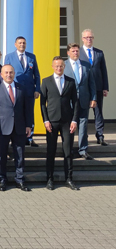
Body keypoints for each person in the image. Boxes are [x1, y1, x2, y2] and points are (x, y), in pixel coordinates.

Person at [40, 57, 80, 191]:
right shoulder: (46, 81)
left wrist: (74, 120)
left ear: (64, 67)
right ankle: (49, 179)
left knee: (68, 151)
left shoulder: (71, 81)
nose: (59, 68)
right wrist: (45, 120)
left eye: (61, 66)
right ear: (52, 66)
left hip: (67, 122)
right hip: (51, 121)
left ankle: (69, 178)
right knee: (50, 151)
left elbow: (75, 102)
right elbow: (42, 103)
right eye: (56, 66)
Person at [0, 65, 32, 192]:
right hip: (2, 128)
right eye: (6, 72)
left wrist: (29, 125)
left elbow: (28, 109)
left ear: (14, 74)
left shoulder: (22, 88)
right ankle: (2, 180)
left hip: (19, 127)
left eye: (11, 72)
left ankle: (19, 179)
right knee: (2, 155)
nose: (9, 75)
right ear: (1, 74)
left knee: (19, 155)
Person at [3, 36, 40, 147]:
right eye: (20, 43)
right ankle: (13, 136)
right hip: (16, 90)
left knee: (29, 112)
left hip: (29, 90)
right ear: (15, 44)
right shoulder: (9, 57)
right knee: (16, 112)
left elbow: (36, 75)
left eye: (24, 43)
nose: (22, 45)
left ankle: (29, 136)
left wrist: (37, 89)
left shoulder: (31, 57)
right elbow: (6, 73)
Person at [63, 43, 96, 160]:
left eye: (77, 51)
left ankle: (83, 149)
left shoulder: (86, 65)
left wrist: (93, 98)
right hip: (69, 102)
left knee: (83, 124)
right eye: (73, 51)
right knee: (69, 126)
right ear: (68, 53)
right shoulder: (64, 66)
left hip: (84, 100)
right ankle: (68, 150)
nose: (75, 53)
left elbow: (91, 83)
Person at [79, 29, 109, 146]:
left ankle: (100, 136)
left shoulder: (99, 53)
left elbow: (104, 71)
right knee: (84, 113)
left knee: (98, 112)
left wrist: (105, 87)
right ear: (82, 39)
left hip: (98, 87)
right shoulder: (79, 53)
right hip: (84, 88)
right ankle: (84, 136)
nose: (89, 39)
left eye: (91, 37)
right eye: (86, 37)